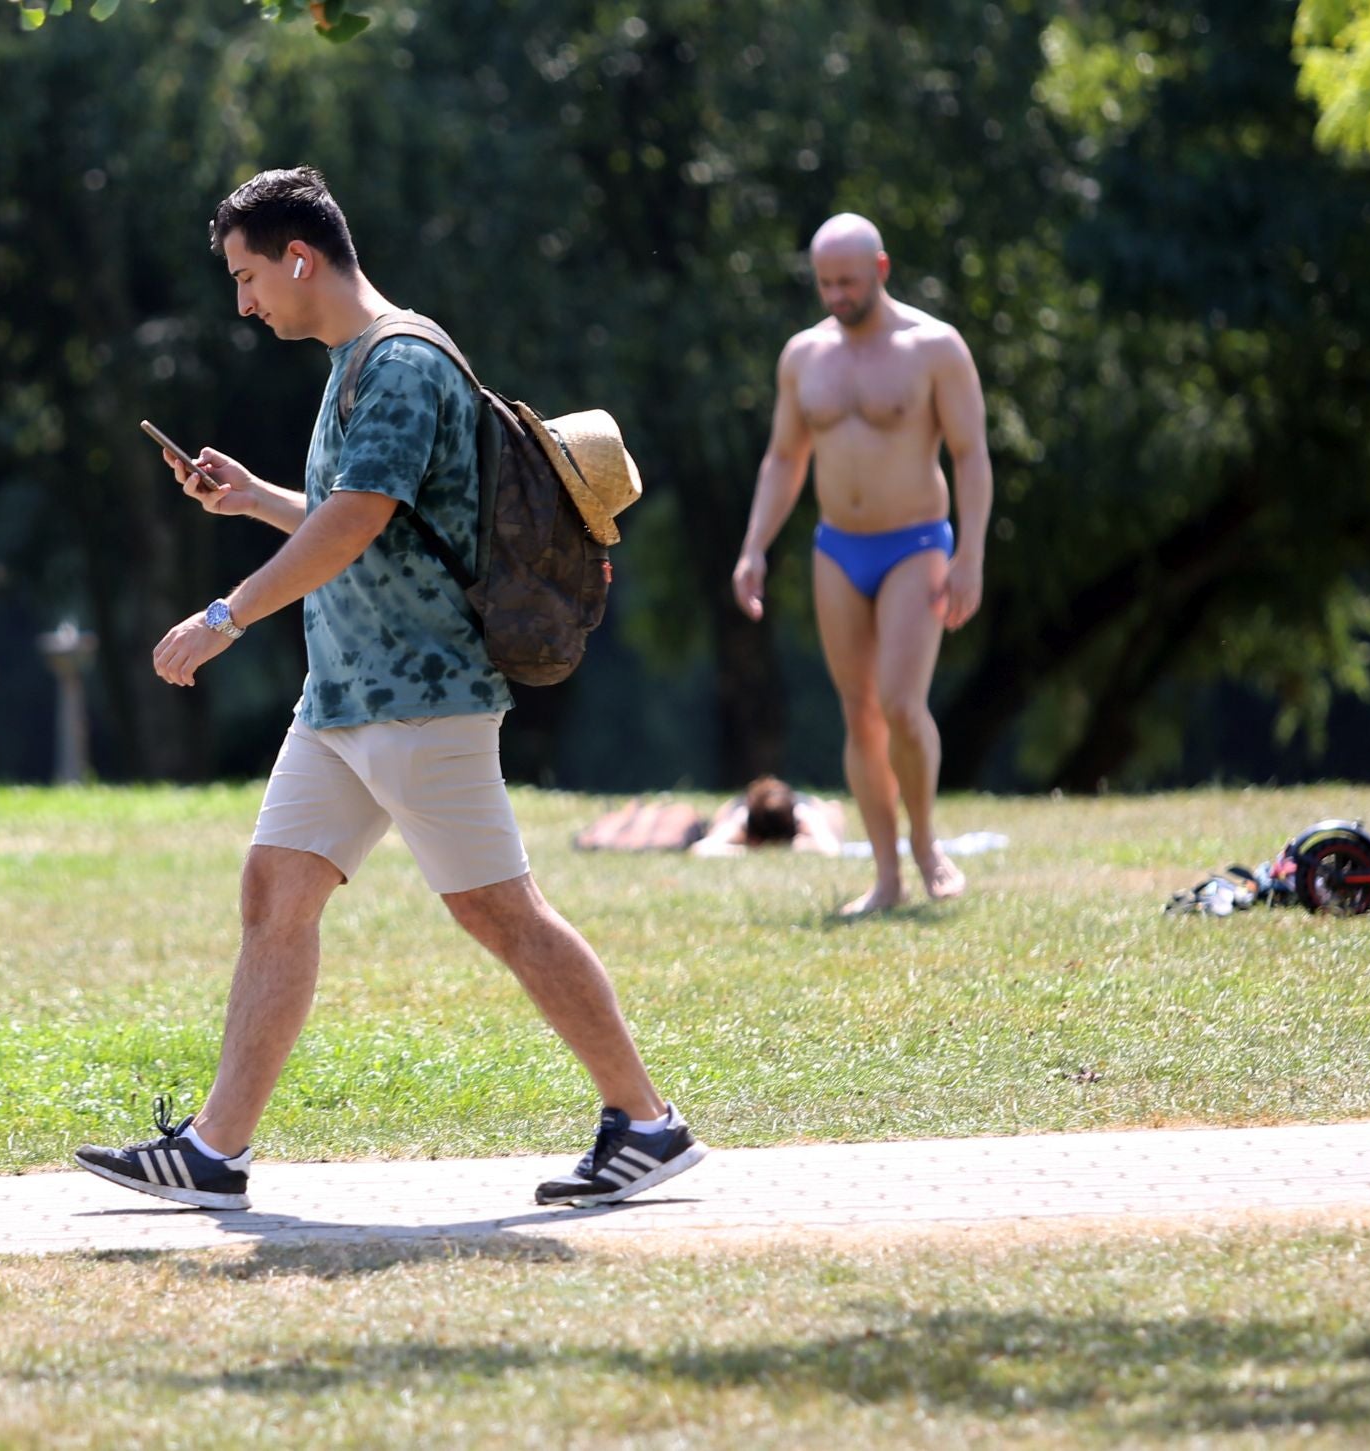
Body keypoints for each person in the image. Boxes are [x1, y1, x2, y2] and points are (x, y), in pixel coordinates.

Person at [73, 167, 704, 1212]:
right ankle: (213, 1151)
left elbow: (359, 519)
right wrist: (256, 499)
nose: (243, 303)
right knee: (276, 891)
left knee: (501, 911)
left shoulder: (400, 362)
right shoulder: (355, 362)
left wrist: (227, 614)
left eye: (247, 277)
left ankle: (646, 1122)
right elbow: (358, 519)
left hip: (421, 694)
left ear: (301, 258)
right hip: (346, 699)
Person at [731, 214, 992, 915]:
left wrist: (970, 553)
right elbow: (784, 458)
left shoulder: (933, 347)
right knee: (860, 714)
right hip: (837, 547)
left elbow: (969, 453)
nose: (837, 295)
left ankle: (927, 842)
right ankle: (886, 876)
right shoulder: (804, 356)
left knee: (903, 706)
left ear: (880, 269)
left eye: (848, 281)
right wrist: (755, 545)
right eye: (824, 284)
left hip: (915, 542)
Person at [689, 775, 846, 857]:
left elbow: (832, 850)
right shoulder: (741, 816)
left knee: (833, 809)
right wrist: (748, 850)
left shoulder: (805, 813)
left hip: (816, 809)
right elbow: (701, 849)